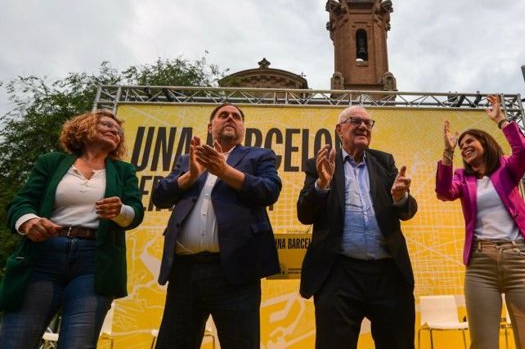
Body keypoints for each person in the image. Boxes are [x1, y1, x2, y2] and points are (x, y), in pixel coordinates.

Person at [0, 110, 144, 348]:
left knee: (79, 343)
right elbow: (21, 202)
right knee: (15, 340)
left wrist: (120, 211)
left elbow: (135, 212)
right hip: (43, 256)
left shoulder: (124, 171)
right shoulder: (51, 162)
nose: (114, 131)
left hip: (94, 262)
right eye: (107, 125)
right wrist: (29, 222)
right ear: (84, 129)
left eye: (117, 130)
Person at [152, 103, 281, 349]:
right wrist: (189, 176)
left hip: (235, 272)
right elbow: (160, 196)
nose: (230, 118)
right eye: (223, 115)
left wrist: (225, 171)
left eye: (236, 116)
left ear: (243, 127)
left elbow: (269, 191)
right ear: (211, 127)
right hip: (184, 272)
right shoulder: (187, 160)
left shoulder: (259, 156)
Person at [435, 94, 525, 349]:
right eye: (461, 144)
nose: (465, 146)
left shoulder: (506, 169)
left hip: (520, 259)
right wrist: (448, 151)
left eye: (470, 141)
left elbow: (523, 151)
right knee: (483, 343)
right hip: (480, 266)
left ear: (485, 143)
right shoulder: (461, 178)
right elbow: (444, 192)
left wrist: (502, 121)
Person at [297, 106, 418, 349]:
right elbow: (305, 214)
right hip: (339, 274)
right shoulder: (318, 164)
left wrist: (399, 197)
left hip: (388, 274)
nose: (363, 126)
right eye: (355, 121)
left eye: (368, 123)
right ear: (339, 130)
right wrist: (322, 184)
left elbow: (408, 210)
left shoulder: (384, 162)